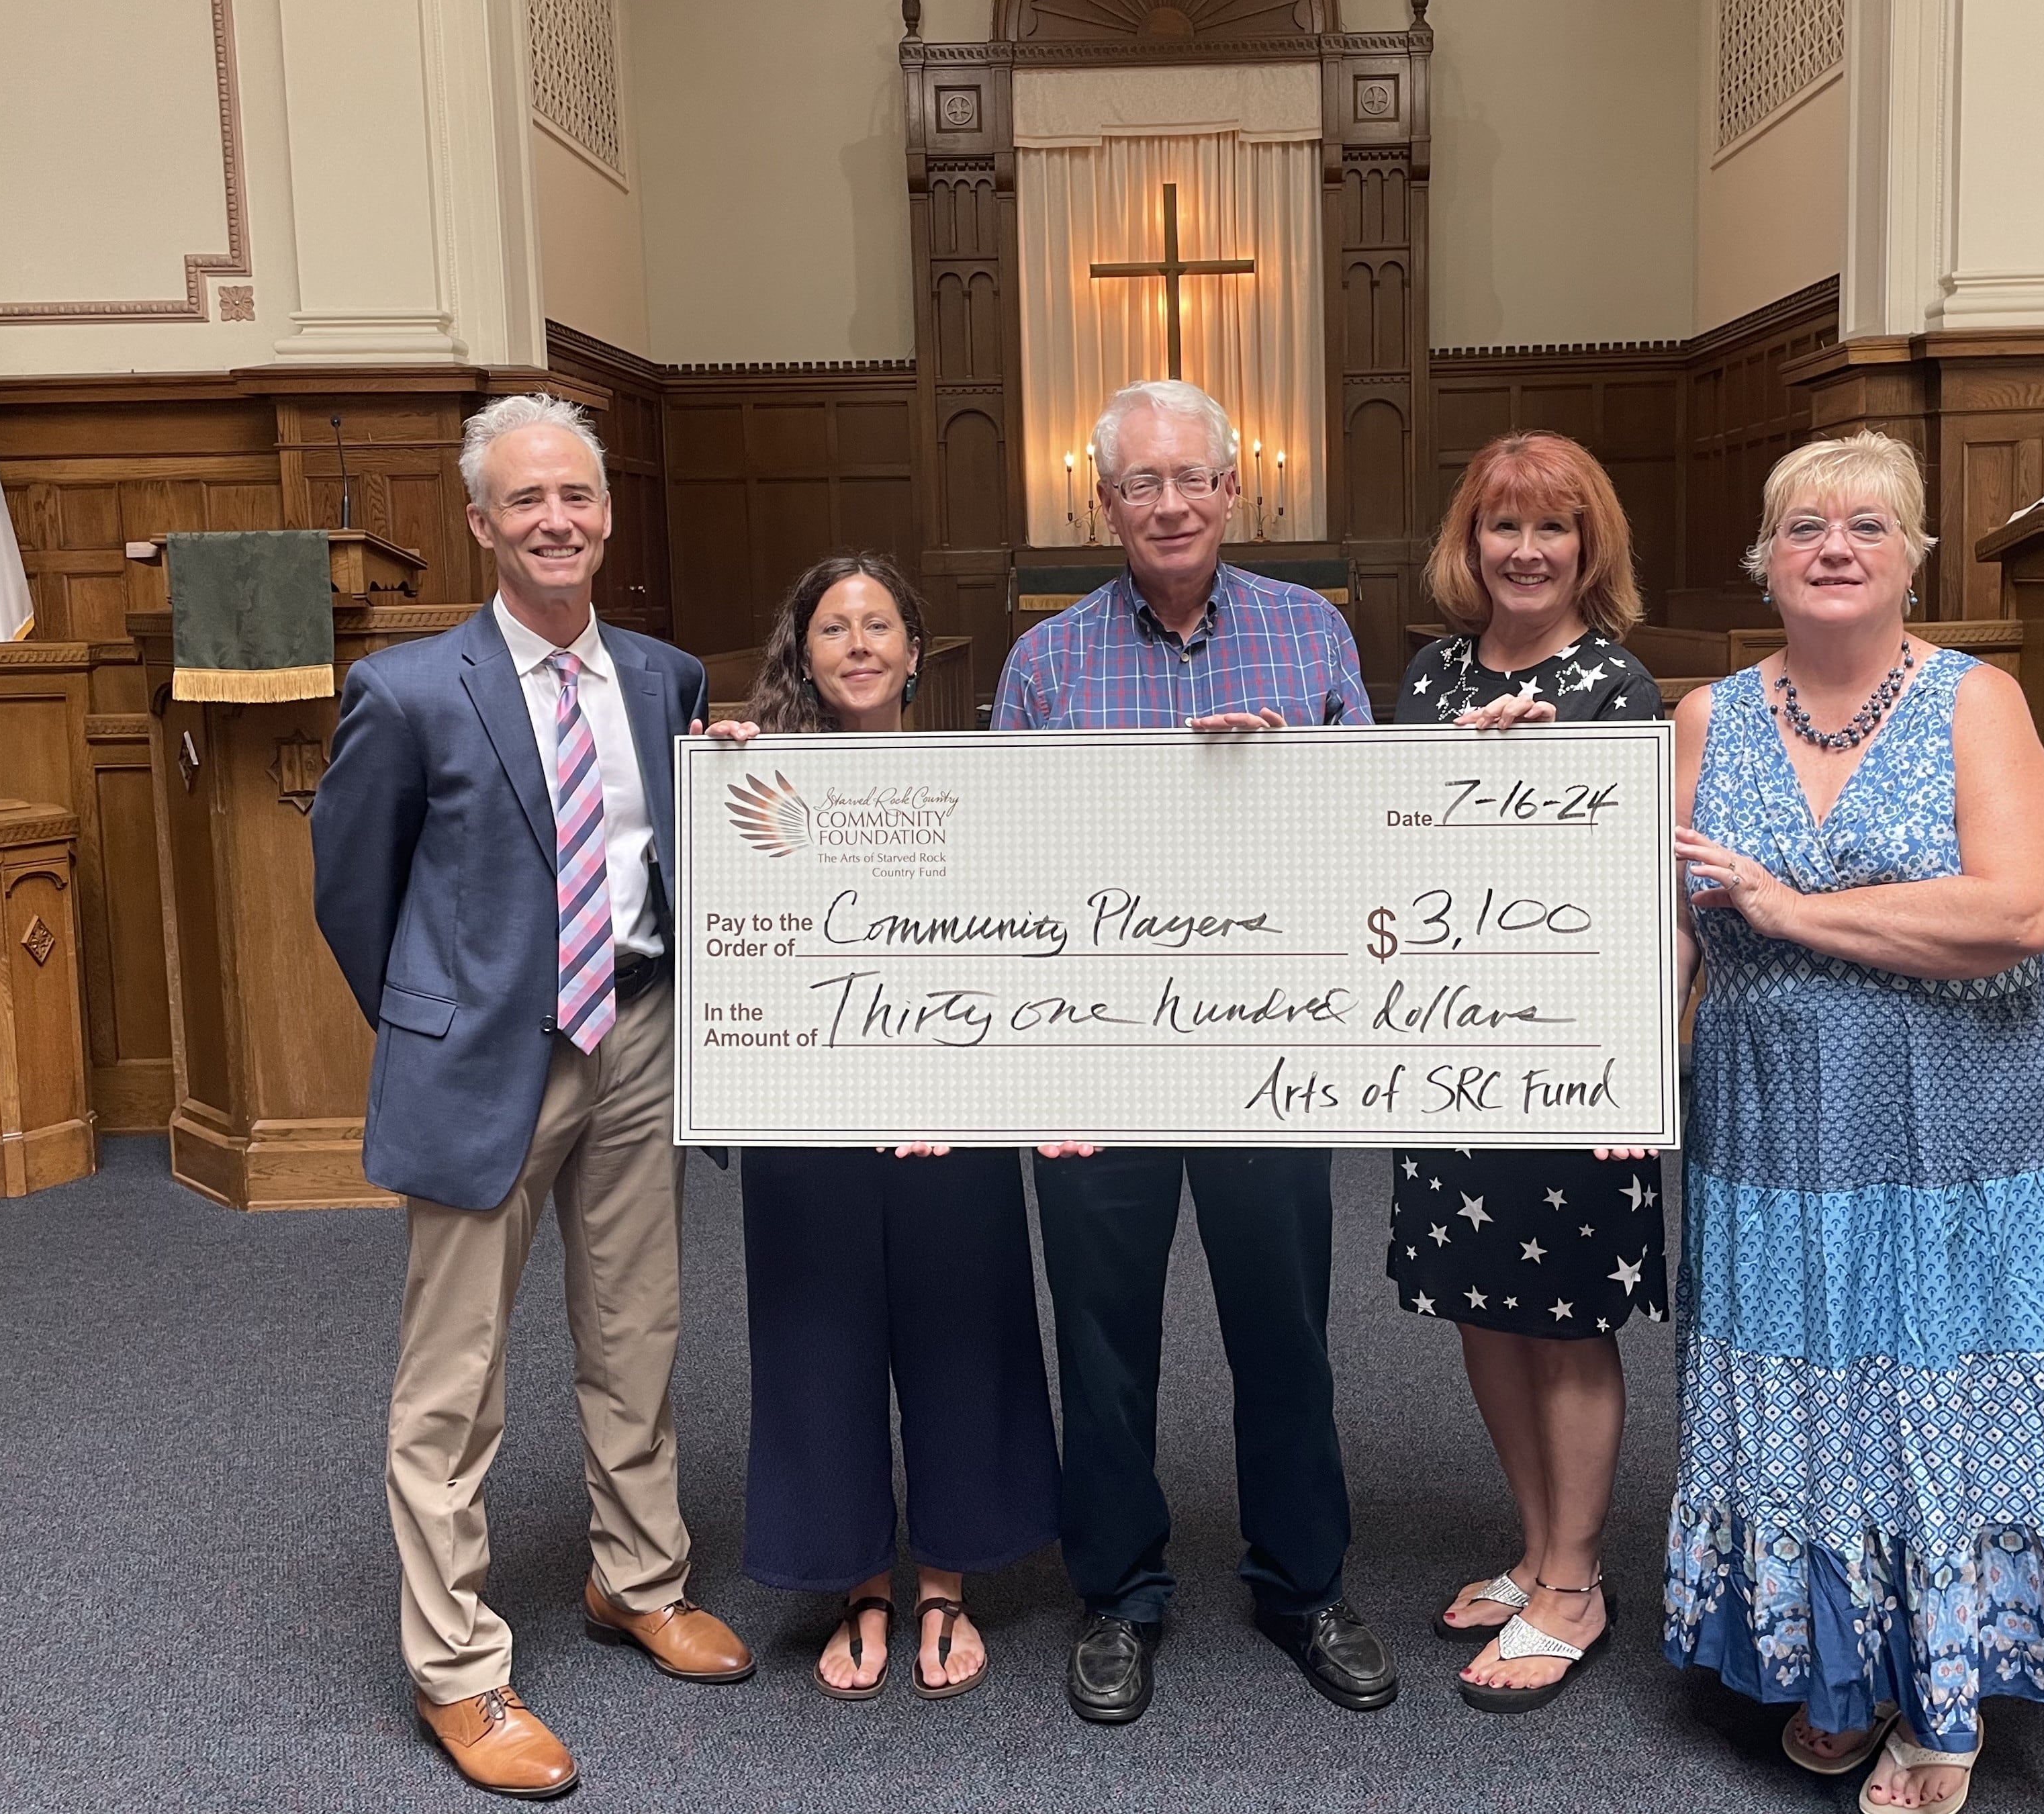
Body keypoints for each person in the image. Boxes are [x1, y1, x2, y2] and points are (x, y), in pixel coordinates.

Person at [1665, 431, 2044, 1814]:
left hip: (1968, 1114)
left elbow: (2022, 910)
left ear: (1912, 559)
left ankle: (1941, 1695)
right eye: (1806, 524)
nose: (1835, 545)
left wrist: (1798, 914)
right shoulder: (1706, 719)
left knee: (1934, 1371)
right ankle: (1841, 1667)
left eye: (1869, 526)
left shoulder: (1974, 702)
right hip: (1775, 1122)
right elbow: (1670, 935)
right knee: (1809, 1373)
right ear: (1765, 559)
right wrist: (1618, 1078)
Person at [314, 394, 749, 1800]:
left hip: (639, 1029)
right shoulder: (408, 691)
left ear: (606, 513)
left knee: (638, 1327)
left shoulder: (669, 679)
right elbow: (352, 890)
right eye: (526, 502)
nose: (556, 520)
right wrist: (436, 1020)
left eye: (577, 496)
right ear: (481, 523)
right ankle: (456, 1667)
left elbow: (678, 857)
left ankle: (641, 1577)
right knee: (455, 1380)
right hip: (486, 1058)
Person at [994, 377, 1397, 1726]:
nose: (1168, 503)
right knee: (1104, 1337)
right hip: (1100, 1051)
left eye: (1192, 479)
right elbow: (1004, 871)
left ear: (1236, 491)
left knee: (1283, 1328)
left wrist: (1292, 787)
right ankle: (1117, 1595)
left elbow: (1376, 835)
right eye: (1140, 484)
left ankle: (1304, 1583)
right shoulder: (1046, 660)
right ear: (1100, 502)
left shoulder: (1310, 634)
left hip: (1266, 1051)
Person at [712, 555, 1060, 1701]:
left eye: (879, 626)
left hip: (953, 1108)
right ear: (801, 654)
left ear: (918, 651)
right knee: (818, 1339)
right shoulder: (751, 787)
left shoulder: (982, 781)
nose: (857, 645)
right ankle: (858, 1582)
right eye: (831, 629)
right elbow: (725, 946)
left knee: (967, 1330)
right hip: (807, 1114)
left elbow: (1028, 942)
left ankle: (949, 1582)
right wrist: (716, 782)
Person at [1388, 432, 1671, 1713]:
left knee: (1565, 1318)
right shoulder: (1428, 676)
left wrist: (1631, 1073)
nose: (1526, 550)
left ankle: (1575, 1578)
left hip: (1569, 1061)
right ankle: (1531, 1539)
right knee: (1481, 1305)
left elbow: (1636, 897)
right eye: (1504, 527)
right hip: (1446, 1051)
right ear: (1472, 542)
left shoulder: (1615, 688)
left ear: (1589, 546)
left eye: (1552, 527)